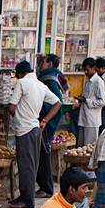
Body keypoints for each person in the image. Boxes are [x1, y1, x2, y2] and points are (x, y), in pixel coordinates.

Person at [8, 60, 61, 208]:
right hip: (36, 129)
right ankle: (26, 197)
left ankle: (26, 199)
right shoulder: (40, 85)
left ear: (19, 74)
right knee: (31, 165)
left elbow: (12, 106)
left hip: (25, 129)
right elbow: (58, 103)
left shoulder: (22, 83)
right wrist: (44, 120)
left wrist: (16, 115)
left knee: (26, 166)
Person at [36, 54, 67, 196]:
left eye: (42, 62)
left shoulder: (49, 79)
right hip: (47, 119)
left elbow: (57, 102)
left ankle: (46, 187)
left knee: (43, 152)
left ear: (49, 64)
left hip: (47, 119)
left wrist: (45, 120)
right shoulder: (54, 75)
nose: (39, 64)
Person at [77, 59, 105, 150]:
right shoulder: (88, 81)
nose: (85, 72)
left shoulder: (98, 82)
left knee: (89, 147)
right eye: (84, 70)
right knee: (81, 147)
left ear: (93, 68)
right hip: (84, 117)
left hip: (92, 120)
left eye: (87, 70)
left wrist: (87, 101)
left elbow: (102, 101)